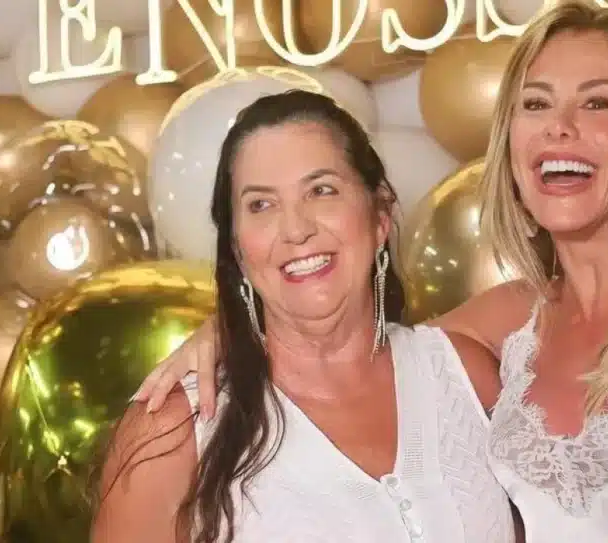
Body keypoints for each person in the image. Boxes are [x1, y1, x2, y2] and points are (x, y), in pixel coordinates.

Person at [133, 2, 608, 541]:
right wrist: (229, 326)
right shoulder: (509, 323)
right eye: (536, 105)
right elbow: (340, 344)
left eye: (598, 103)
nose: (560, 129)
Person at [93, 90, 517, 542]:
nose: (296, 229)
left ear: (379, 216)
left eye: (321, 191)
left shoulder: (467, 375)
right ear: (237, 249)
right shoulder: (172, 434)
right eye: (261, 205)